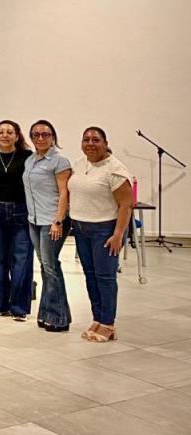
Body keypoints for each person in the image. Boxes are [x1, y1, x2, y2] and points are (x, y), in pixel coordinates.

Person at [68, 127, 133, 343]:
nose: (90, 144)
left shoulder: (114, 170)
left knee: (105, 278)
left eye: (96, 140)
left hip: (105, 230)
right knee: (90, 276)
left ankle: (108, 323)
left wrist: (118, 235)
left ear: (105, 143)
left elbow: (126, 205)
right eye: (86, 139)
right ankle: (97, 318)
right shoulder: (80, 164)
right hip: (81, 228)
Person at [23, 120, 73, 333]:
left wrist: (58, 220)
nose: (40, 138)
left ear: (53, 137)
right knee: (45, 267)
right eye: (36, 135)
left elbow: (64, 192)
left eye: (45, 134)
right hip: (34, 220)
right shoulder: (30, 160)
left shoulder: (59, 161)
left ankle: (59, 318)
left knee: (51, 267)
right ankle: (47, 313)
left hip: (52, 221)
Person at [0, 120, 34, 321]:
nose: (5, 135)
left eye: (10, 132)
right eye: (1, 132)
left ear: (17, 136)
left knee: (21, 259)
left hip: (21, 212)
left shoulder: (27, 157)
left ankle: (19, 307)